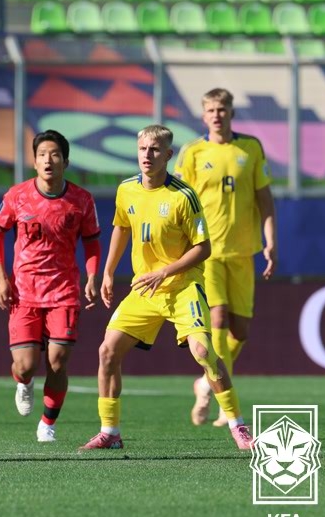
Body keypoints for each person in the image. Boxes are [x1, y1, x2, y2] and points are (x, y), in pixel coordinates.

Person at [80, 124, 253, 451]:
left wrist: (166, 272)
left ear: (168, 155)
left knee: (204, 353)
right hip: (144, 290)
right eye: (143, 149)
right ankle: (109, 432)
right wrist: (107, 272)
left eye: (155, 150)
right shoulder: (126, 190)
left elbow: (204, 247)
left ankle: (238, 426)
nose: (147, 155)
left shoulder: (183, 196)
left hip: (183, 288)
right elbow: (121, 227)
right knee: (107, 352)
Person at [0, 130, 101, 443]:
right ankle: (23, 384)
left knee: (58, 360)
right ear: (34, 161)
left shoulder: (81, 200)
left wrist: (92, 275)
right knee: (25, 366)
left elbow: (92, 242)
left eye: (54, 154)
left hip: (64, 291)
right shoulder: (17, 196)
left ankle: (47, 424)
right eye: (41, 155)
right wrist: (1, 278)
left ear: (65, 160)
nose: (48, 160)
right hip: (23, 292)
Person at [173, 88, 276, 428]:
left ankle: (205, 380)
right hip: (207, 252)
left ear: (231, 112)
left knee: (240, 330)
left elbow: (264, 198)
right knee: (216, 321)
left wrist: (270, 240)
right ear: (203, 115)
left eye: (222, 109)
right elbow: (179, 202)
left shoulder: (250, 148)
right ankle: (223, 401)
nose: (217, 114)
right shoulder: (193, 152)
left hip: (244, 251)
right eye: (211, 110)